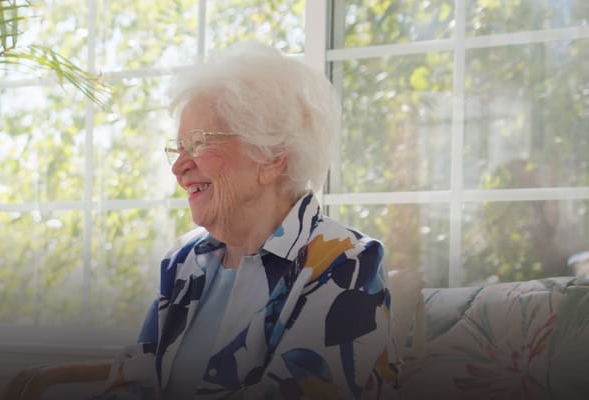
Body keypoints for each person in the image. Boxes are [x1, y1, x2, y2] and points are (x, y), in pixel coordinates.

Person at [99, 42, 399, 399]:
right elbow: (137, 381)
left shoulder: (345, 262)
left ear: (271, 157)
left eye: (197, 144)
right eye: (178, 149)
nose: (179, 167)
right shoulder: (184, 259)